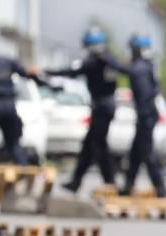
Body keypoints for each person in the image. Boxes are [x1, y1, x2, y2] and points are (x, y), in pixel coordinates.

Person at [49, 27, 127, 193]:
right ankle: (77, 181)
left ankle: (110, 182)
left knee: (99, 145)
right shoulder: (108, 58)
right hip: (104, 107)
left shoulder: (96, 61)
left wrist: (48, 71)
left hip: (102, 108)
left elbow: (72, 71)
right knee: (90, 145)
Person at [0, 29, 39, 165]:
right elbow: (27, 74)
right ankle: (24, 173)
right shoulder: (7, 61)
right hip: (10, 107)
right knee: (14, 144)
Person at [119, 34, 166, 198]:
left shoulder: (140, 68)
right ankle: (128, 186)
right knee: (135, 152)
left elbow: (145, 94)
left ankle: (161, 188)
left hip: (146, 115)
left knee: (147, 152)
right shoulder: (147, 66)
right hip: (146, 115)